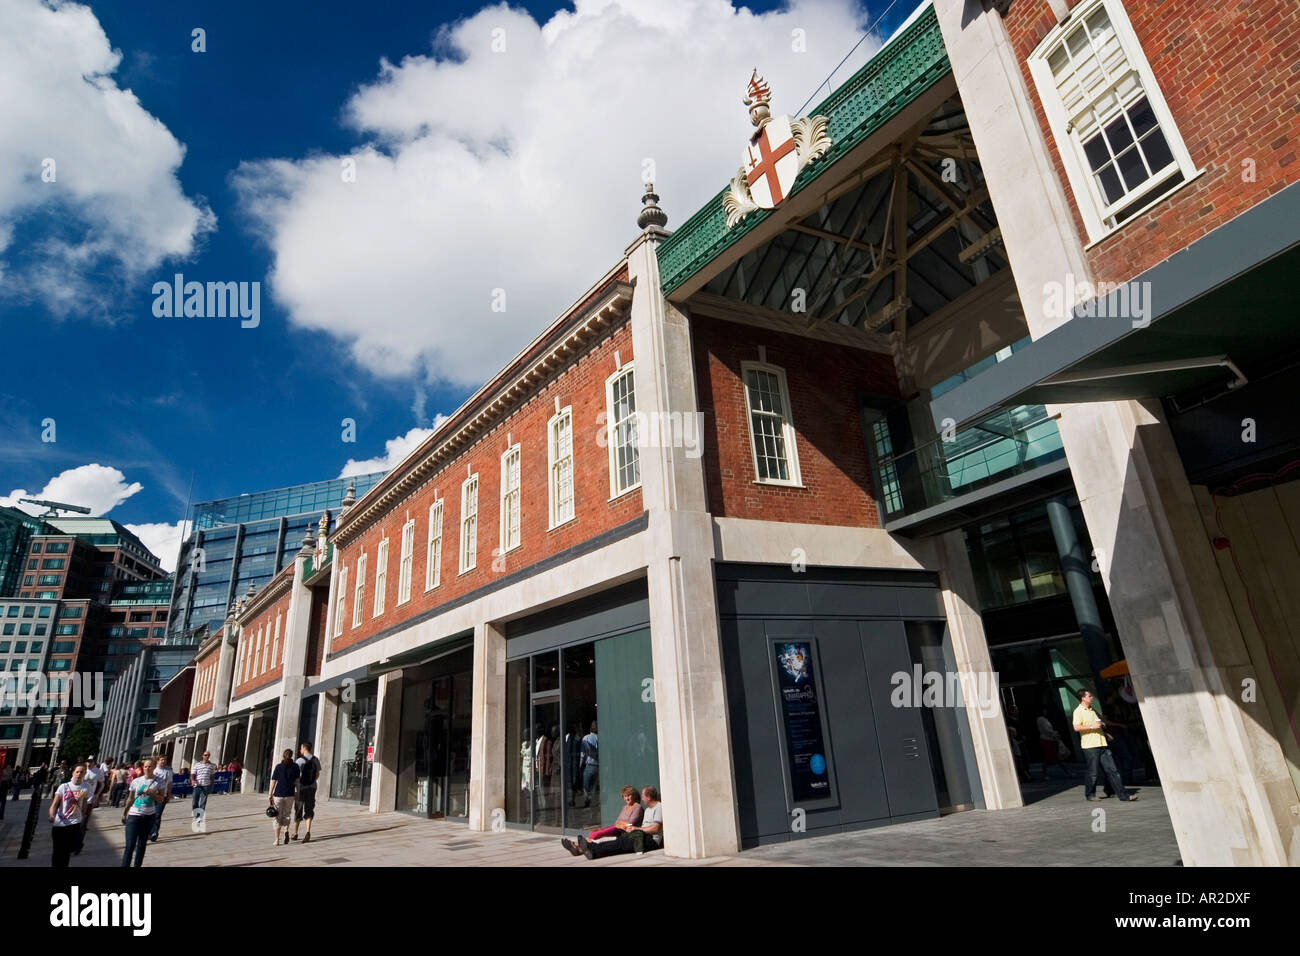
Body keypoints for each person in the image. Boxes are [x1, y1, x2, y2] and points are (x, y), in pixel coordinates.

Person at [565, 786, 664, 860]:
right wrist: (635, 829)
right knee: (617, 842)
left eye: (643, 795)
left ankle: (589, 849)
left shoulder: (658, 807)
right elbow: (619, 822)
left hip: (652, 840)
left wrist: (636, 829)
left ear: (649, 797)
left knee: (619, 844)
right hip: (641, 835)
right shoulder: (647, 810)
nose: (641, 798)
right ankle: (587, 849)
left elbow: (656, 828)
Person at [1073, 688, 1137, 803]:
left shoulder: (1092, 710)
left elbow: (1101, 723)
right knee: (1093, 772)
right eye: (1089, 696)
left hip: (1102, 744)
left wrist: (1105, 732)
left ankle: (1123, 796)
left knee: (1113, 770)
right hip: (1090, 746)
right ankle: (1090, 794)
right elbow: (1076, 727)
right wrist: (1092, 726)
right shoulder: (1078, 711)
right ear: (1083, 698)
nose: (1092, 697)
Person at [560, 784, 641, 857]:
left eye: (629, 795)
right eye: (625, 796)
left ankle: (577, 846)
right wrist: (621, 824)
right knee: (597, 837)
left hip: (626, 832)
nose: (627, 798)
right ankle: (579, 848)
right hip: (619, 829)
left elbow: (630, 823)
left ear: (633, 795)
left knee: (596, 834)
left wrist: (621, 824)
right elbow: (617, 822)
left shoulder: (637, 807)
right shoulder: (625, 807)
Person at [121, 758, 165, 868]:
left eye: (150, 766)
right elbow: (130, 799)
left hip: (149, 816)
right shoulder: (136, 781)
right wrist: (124, 813)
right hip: (134, 816)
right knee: (130, 845)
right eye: (145, 766)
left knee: (141, 845)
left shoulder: (159, 781)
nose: (147, 768)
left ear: (154, 767)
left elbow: (161, 799)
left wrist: (152, 793)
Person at [48, 763, 89, 868]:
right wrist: (52, 815)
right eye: (77, 772)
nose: (79, 774)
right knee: (57, 852)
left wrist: (83, 817)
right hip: (59, 824)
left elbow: (85, 804)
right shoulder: (64, 786)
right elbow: (55, 804)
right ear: (73, 773)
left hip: (74, 824)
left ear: (85, 774)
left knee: (67, 852)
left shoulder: (86, 787)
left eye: (82, 772)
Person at [292, 742, 321, 843]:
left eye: (301, 748)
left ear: (304, 748)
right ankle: (308, 831)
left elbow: (295, 776)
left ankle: (295, 833)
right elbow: (317, 774)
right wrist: (312, 781)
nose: (300, 750)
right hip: (312, 787)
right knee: (309, 809)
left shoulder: (299, 760)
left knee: (298, 809)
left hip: (301, 788)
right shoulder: (315, 759)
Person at [269, 749, 299, 846]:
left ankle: (277, 839)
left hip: (278, 793)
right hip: (290, 793)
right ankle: (286, 830)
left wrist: (270, 793)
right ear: (292, 756)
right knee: (287, 814)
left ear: (283, 756)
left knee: (277, 816)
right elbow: (297, 781)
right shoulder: (295, 767)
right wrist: (297, 792)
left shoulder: (278, 766)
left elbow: (273, 781)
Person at [1036, 711, 1073, 780]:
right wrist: (1055, 734)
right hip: (1047, 740)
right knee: (1049, 757)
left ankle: (1066, 772)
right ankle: (1046, 774)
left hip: (1050, 739)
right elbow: (1046, 730)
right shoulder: (1041, 719)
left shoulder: (1044, 719)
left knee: (1055, 757)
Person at [149, 754, 174, 842]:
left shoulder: (168, 771)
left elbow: (170, 783)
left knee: (158, 814)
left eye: (165, 760)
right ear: (158, 761)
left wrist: (169, 794)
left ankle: (154, 832)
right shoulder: (153, 770)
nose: (164, 761)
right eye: (162, 760)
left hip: (162, 795)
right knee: (149, 814)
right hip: (151, 795)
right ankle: (149, 831)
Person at [190, 750, 217, 820]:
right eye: (205, 755)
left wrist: (212, 786)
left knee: (203, 802)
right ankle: (196, 815)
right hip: (197, 785)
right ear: (202, 756)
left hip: (206, 785)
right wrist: (192, 780)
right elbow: (193, 774)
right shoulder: (197, 765)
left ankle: (199, 817)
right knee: (194, 802)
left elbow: (212, 777)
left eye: (208, 755)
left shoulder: (211, 766)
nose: (207, 756)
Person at [580, 722, 598, 808]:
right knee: (595, 784)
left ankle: (588, 801)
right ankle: (594, 800)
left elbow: (582, 754)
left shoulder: (586, 738)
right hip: (599, 765)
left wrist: (580, 766)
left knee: (586, 784)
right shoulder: (600, 737)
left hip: (590, 765)